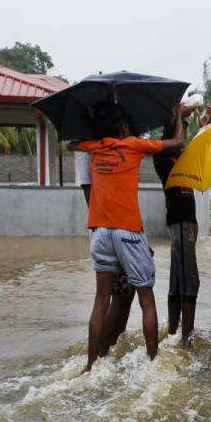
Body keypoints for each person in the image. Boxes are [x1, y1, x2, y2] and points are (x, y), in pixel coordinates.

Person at [70, 102, 186, 372]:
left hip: (99, 231)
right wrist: (178, 115)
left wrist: (95, 135)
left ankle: (90, 364)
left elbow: (71, 145)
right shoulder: (133, 145)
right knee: (146, 298)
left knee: (101, 302)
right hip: (128, 232)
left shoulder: (92, 148)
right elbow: (178, 141)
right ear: (124, 128)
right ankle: (153, 363)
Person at [75, 149, 134, 353]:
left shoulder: (96, 147)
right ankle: (102, 352)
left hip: (108, 230)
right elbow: (89, 192)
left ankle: (109, 349)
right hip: (111, 230)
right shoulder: (91, 151)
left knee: (119, 294)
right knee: (117, 295)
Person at [153, 112, 198, 348]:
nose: (185, 133)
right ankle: (185, 340)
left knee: (179, 279)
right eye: (183, 128)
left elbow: (199, 152)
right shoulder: (162, 155)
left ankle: (173, 335)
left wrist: (204, 126)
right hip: (179, 222)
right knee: (189, 280)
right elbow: (178, 140)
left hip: (187, 223)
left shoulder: (181, 157)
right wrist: (177, 116)